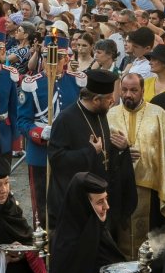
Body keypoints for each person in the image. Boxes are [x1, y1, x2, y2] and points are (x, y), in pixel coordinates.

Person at [47, 68, 137, 248]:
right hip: (75, 202)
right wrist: (89, 151)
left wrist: (121, 149)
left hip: (99, 197)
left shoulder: (100, 115)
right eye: (110, 98)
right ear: (96, 99)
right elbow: (56, 160)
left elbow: (104, 153)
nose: (113, 101)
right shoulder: (66, 119)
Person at [107, 72, 165, 259]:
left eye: (133, 90)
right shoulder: (111, 114)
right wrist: (121, 153)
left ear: (142, 90)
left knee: (147, 241)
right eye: (124, 90)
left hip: (149, 188)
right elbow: (102, 152)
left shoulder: (158, 114)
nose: (128, 95)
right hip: (118, 188)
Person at [16, 35, 82, 229]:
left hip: (69, 152)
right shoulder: (31, 84)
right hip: (41, 152)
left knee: (70, 201)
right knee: (42, 205)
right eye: (46, 57)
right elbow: (23, 121)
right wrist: (38, 133)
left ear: (66, 60)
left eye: (57, 57)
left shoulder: (77, 83)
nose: (50, 62)